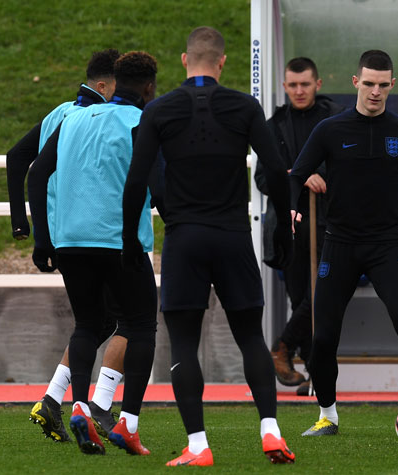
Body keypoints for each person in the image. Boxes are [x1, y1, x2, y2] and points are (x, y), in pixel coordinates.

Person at [121, 26, 295, 466]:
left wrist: (129, 243)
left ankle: (198, 445)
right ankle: (271, 431)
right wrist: (284, 228)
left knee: (183, 342)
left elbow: (137, 180)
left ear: (185, 60)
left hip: (184, 237)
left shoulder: (159, 109)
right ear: (221, 62)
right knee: (251, 337)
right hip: (232, 234)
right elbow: (276, 170)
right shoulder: (244, 106)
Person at [291, 50, 398, 437]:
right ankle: (327, 416)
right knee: (323, 335)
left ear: (393, 85)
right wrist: (294, 205)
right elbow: (297, 173)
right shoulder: (330, 130)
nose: (375, 91)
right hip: (339, 243)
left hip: (387, 243)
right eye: (369, 83)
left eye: (383, 84)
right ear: (355, 82)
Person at [28, 51, 160, 456]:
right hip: (120, 243)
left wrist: (42, 239)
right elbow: (153, 183)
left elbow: (35, 172)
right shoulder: (141, 121)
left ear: (112, 82)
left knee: (87, 325)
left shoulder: (73, 118)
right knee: (141, 326)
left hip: (70, 241)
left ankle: (80, 406)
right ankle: (128, 423)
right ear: (150, 87)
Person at [6, 48, 128, 443]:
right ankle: (98, 407)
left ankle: (53, 399)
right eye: (118, 88)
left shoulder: (59, 112)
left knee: (95, 321)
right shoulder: (97, 117)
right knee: (126, 318)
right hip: (92, 232)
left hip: (59, 235)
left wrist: (22, 224)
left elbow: (15, 158)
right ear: (104, 85)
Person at [254, 57, 343, 392]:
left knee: (323, 293)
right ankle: (313, 376)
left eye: (305, 84)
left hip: (331, 220)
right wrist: (298, 177)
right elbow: (263, 178)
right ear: (285, 86)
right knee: (300, 297)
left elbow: (350, 165)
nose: (299, 90)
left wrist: (325, 176)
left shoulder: (336, 118)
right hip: (289, 225)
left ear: (317, 84)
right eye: (292, 85)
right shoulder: (273, 125)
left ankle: (282, 347)